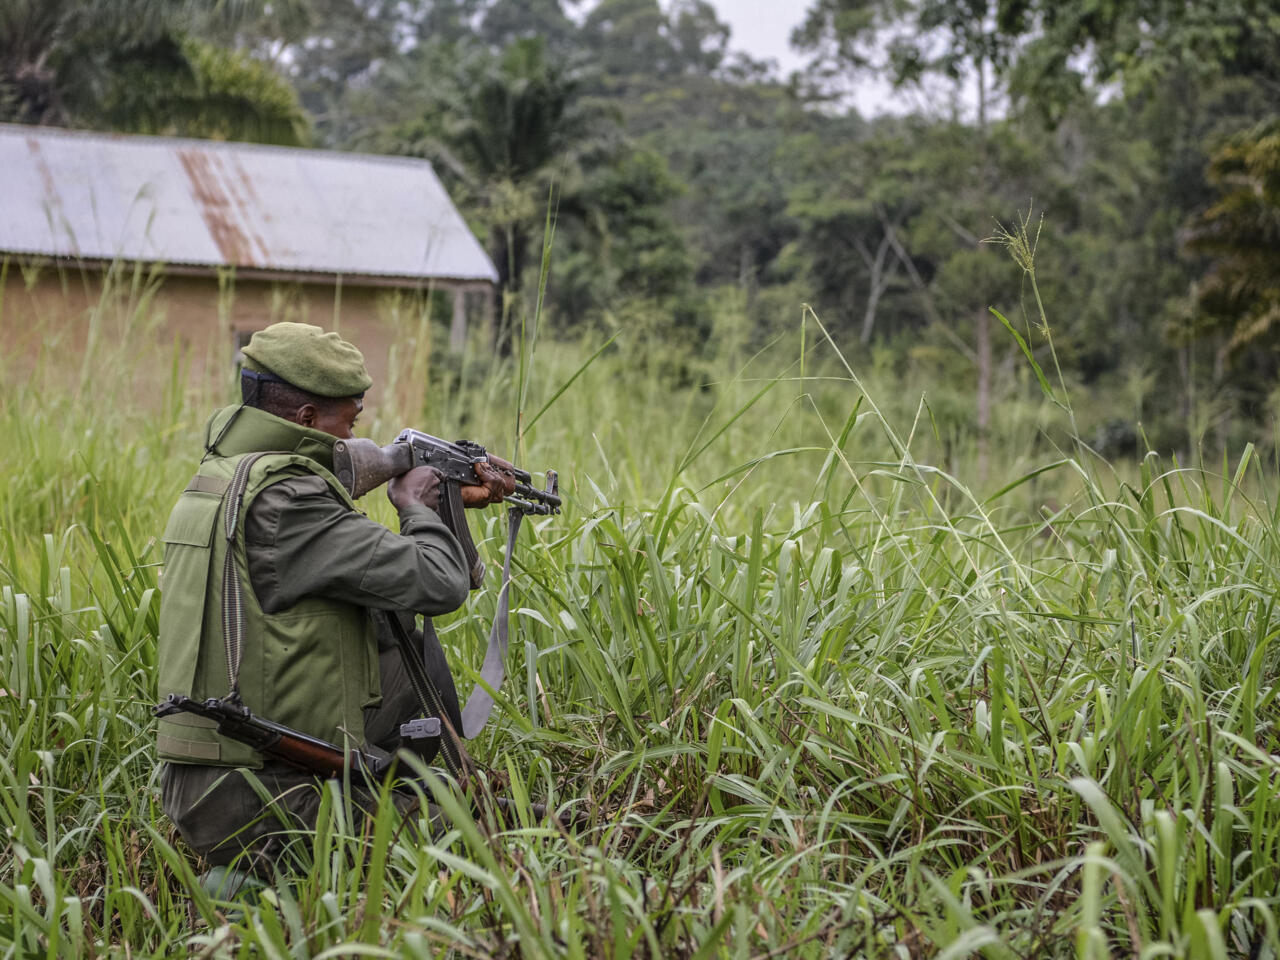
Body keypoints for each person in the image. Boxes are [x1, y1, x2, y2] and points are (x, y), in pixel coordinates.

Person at [155, 321, 514, 873]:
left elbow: (371, 586)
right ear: (304, 421)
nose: (351, 442)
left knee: (388, 640)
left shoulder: (221, 479)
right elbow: (440, 584)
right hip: (258, 798)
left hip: (217, 778)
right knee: (480, 834)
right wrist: (417, 504)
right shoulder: (288, 503)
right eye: (347, 423)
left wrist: (445, 501)